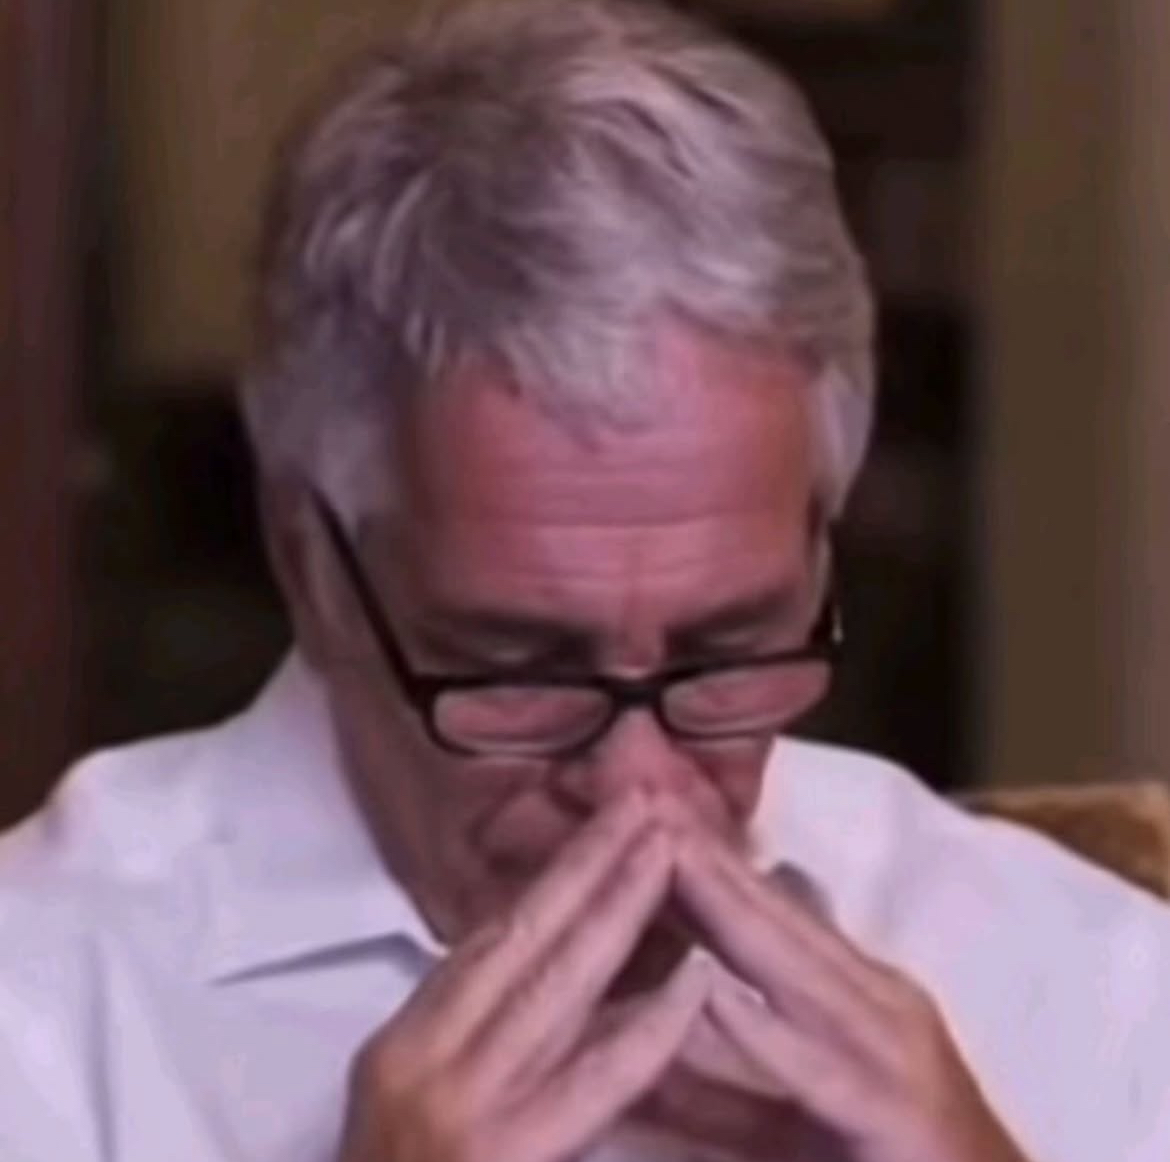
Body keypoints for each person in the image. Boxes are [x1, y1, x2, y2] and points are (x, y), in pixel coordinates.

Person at [2, 1, 1169, 1159]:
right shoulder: (43, 1011)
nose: (637, 791)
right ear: (310, 561)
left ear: (820, 547)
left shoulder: (1098, 982)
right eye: (521, 670)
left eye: (726, 651)